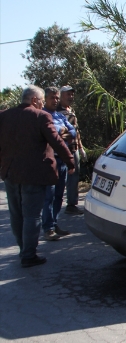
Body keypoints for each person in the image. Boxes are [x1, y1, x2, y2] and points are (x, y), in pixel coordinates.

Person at [0, 85, 75, 267]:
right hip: (34, 175)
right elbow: (56, 142)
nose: (42, 104)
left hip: (10, 173)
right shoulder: (41, 116)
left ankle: (23, 249)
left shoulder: (4, 115)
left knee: (17, 215)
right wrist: (70, 161)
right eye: (41, 100)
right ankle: (29, 255)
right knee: (32, 216)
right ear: (34, 100)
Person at [42, 87, 77, 241]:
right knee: (48, 196)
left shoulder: (60, 116)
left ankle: (54, 223)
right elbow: (50, 134)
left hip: (62, 160)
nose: (55, 100)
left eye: (56, 98)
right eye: (52, 98)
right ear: (45, 99)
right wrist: (60, 132)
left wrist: (60, 133)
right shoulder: (42, 116)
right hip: (50, 161)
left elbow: (73, 132)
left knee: (58, 195)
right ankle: (48, 228)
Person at [57, 86, 85, 216]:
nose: (70, 97)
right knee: (61, 177)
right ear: (61, 96)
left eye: (72, 94)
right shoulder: (56, 111)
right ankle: (55, 204)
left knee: (74, 176)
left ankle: (71, 204)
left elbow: (76, 131)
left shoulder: (71, 111)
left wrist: (80, 147)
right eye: (68, 94)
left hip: (74, 149)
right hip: (62, 149)